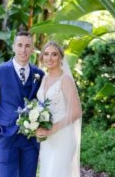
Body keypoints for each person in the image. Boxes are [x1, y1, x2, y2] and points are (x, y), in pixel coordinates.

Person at [0, 27, 44, 177]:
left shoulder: (39, 74)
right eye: (20, 45)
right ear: (13, 47)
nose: (23, 50)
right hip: (6, 136)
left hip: (30, 140)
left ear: (32, 49)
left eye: (27, 46)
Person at [36, 41, 82, 177]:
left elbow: (76, 111)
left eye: (54, 54)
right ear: (42, 57)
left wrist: (53, 129)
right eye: (46, 54)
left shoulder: (65, 80)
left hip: (62, 135)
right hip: (47, 137)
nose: (49, 58)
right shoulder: (44, 79)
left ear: (61, 58)